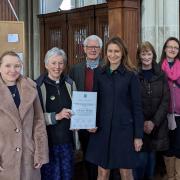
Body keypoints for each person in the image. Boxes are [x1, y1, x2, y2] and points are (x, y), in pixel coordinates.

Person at [85, 36, 144, 180]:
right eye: (110, 51)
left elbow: (137, 107)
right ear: (106, 53)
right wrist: (90, 123)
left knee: (126, 173)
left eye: (116, 51)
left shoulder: (131, 75)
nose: (113, 54)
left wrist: (138, 136)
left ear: (123, 53)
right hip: (102, 131)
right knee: (103, 173)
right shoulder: (100, 73)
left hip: (124, 132)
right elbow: (95, 101)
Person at [0, 51, 49, 180]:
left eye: (17, 66)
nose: (13, 70)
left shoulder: (30, 88)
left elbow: (39, 122)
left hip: (29, 156)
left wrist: (40, 153)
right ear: (0, 67)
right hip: (4, 157)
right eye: (8, 66)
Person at [36, 47, 76, 180]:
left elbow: (78, 109)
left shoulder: (70, 84)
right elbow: (34, 117)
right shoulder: (37, 86)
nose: (57, 67)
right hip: (48, 143)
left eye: (61, 63)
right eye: (53, 63)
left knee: (67, 176)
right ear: (46, 64)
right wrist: (56, 116)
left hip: (67, 142)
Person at [133, 41, 170, 180]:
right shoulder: (134, 75)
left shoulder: (161, 74)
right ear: (139, 56)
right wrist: (142, 122)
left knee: (151, 164)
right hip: (139, 126)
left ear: (153, 55)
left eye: (149, 53)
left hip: (157, 126)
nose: (146, 57)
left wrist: (153, 122)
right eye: (143, 54)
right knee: (140, 162)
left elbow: (165, 100)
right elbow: (132, 101)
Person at [69, 34, 103, 180]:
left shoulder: (106, 68)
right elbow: (71, 94)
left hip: (102, 120)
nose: (93, 50)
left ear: (101, 50)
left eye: (96, 47)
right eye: (90, 47)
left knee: (102, 157)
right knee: (87, 154)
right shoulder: (75, 69)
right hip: (82, 121)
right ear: (84, 49)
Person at [160, 37, 180, 180]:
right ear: (165, 49)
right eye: (170, 46)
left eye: (176, 47)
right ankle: (170, 176)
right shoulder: (158, 67)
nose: (172, 49)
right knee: (167, 147)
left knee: (179, 147)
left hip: (179, 115)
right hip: (163, 114)